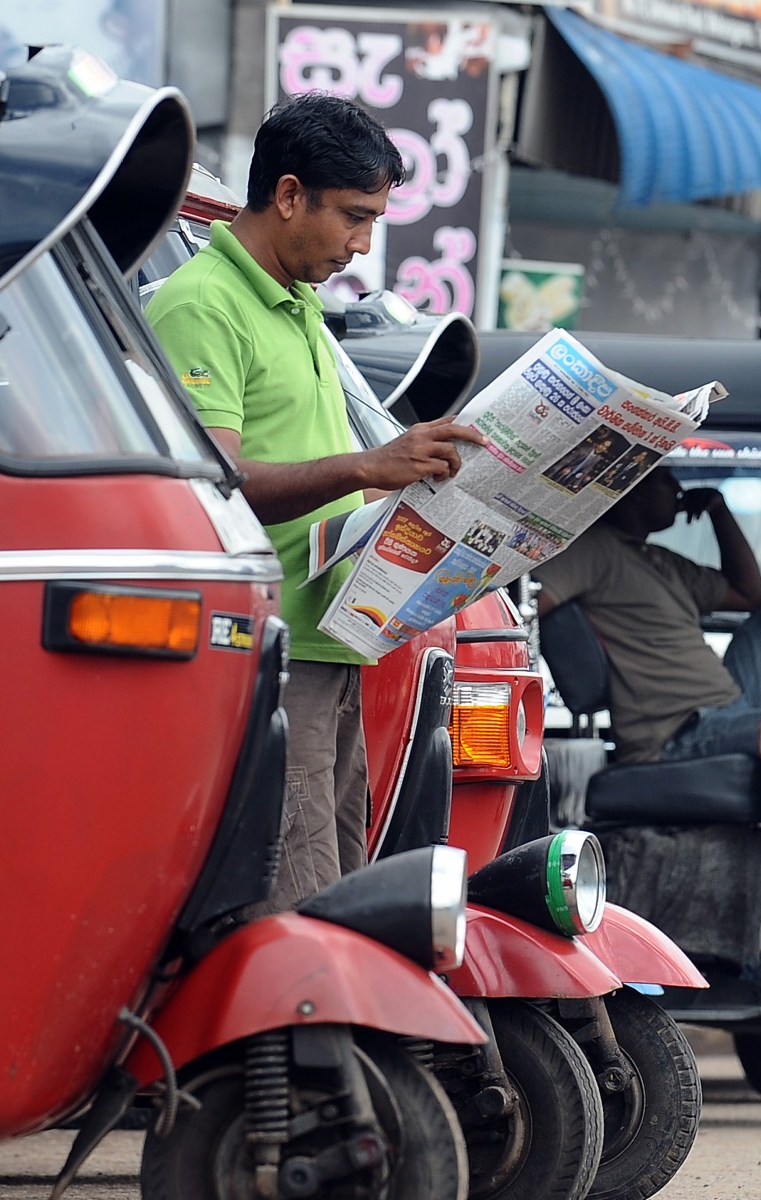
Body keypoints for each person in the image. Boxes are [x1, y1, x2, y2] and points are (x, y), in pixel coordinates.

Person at [146, 91, 485, 911]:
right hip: (272, 649)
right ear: (289, 194)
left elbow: (327, 474)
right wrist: (370, 466)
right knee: (304, 917)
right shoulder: (201, 304)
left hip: (335, 647)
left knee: (346, 900)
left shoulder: (299, 305)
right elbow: (215, 488)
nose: (362, 244)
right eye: (354, 217)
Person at [534, 464, 761, 767]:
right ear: (632, 493)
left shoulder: (657, 558)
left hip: (730, 704)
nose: (677, 488)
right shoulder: (593, 549)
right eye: (664, 478)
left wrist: (718, 510)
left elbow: (750, 597)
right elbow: (523, 608)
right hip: (681, 731)